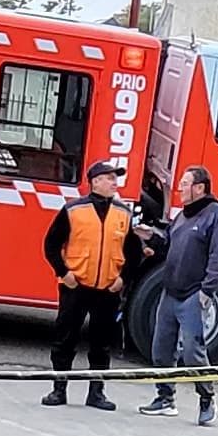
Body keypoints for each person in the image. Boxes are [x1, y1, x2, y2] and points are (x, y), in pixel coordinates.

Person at [40, 155, 142, 409]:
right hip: (76, 287)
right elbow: (51, 244)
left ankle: (96, 393)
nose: (114, 182)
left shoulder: (123, 213)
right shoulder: (74, 210)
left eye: (115, 178)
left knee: (102, 345)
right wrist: (64, 273)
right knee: (65, 340)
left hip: (107, 290)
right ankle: (58, 389)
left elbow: (134, 251)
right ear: (94, 182)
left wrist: (123, 279)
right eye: (109, 178)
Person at [142, 161, 218, 424]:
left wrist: (207, 292)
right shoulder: (182, 216)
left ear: (199, 188)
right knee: (161, 349)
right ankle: (165, 398)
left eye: (184, 184)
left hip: (194, 295)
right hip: (170, 293)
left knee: (194, 352)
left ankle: (206, 399)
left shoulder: (217, 216)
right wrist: (150, 237)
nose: (180, 189)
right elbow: (168, 242)